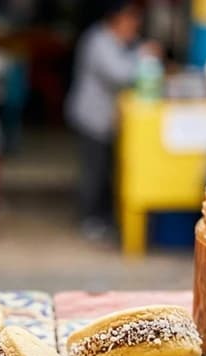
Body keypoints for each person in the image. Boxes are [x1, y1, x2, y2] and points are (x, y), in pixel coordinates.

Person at [65, 0, 153, 241]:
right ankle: (90, 220)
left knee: (104, 171)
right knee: (94, 171)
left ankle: (102, 218)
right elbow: (120, 75)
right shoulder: (98, 40)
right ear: (118, 19)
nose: (134, 26)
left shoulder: (117, 41)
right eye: (131, 21)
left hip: (105, 120)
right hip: (92, 117)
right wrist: (143, 56)